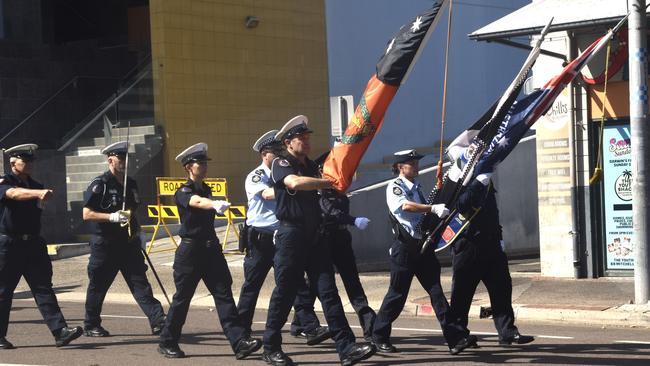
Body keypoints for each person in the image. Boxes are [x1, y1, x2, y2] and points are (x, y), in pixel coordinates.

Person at [262, 115, 375, 366]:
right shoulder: (281, 163)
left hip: (315, 237)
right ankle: (270, 346)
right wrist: (327, 182)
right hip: (291, 237)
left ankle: (347, 348)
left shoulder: (312, 165)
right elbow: (294, 182)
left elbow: (330, 180)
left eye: (307, 137)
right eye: (301, 138)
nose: (306, 141)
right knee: (284, 293)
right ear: (289, 142)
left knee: (329, 293)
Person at [158, 142, 261, 359]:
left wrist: (213, 201)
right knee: (183, 298)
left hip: (210, 248)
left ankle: (239, 341)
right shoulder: (184, 191)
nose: (204, 166)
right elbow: (195, 202)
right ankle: (167, 341)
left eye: (205, 163)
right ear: (188, 167)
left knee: (224, 295)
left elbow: (203, 198)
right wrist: (213, 204)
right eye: (199, 163)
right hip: (191, 250)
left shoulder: (207, 189)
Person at [371, 149, 472, 355]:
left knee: (436, 292)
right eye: (412, 163)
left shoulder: (417, 186)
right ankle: (379, 335)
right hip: (405, 249)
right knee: (397, 295)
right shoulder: (395, 187)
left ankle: (455, 339)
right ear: (401, 167)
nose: (416, 166)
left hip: (422, 247)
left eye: (416, 163)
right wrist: (432, 208)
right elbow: (405, 207)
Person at [237, 130, 331, 346]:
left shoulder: (287, 169)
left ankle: (310, 327)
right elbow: (267, 194)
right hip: (261, 238)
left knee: (295, 283)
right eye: (274, 152)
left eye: (280, 151)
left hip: (282, 236)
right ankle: (241, 331)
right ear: (264, 154)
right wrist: (291, 184)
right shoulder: (257, 176)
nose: (278, 155)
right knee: (253, 286)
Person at [0, 144, 82, 349]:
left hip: (33, 243)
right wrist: (37, 193)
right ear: (12, 163)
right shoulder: (5, 182)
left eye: (31, 161)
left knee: (43, 287)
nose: (29, 165)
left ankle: (60, 331)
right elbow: (14, 194)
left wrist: (38, 192)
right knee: (3, 291)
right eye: (24, 161)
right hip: (9, 244)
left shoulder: (36, 184)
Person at [290, 153, 376, 342]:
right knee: (318, 283)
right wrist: (353, 220)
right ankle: (300, 323)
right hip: (324, 239)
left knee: (352, 280)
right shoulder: (317, 190)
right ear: (321, 170)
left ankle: (369, 325)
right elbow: (330, 212)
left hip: (341, 238)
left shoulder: (338, 189)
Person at [82, 141, 165, 337]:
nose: (124, 161)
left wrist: (139, 231)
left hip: (128, 243)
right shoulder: (100, 184)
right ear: (110, 159)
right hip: (105, 243)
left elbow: (133, 210)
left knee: (140, 283)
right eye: (120, 158)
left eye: (125, 157)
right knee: (99, 285)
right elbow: (87, 214)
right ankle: (91, 323)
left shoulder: (131, 183)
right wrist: (111, 217)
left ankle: (158, 320)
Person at [449, 171, 534, 346]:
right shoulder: (458, 178)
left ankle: (507, 332)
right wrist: (477, 184)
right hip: (468, 245)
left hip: (492, 244)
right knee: (462, 294)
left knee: (502, 289)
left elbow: (492, 212)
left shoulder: (486, 180)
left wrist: (499, 240)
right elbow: (460, 205)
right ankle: (459, 335)